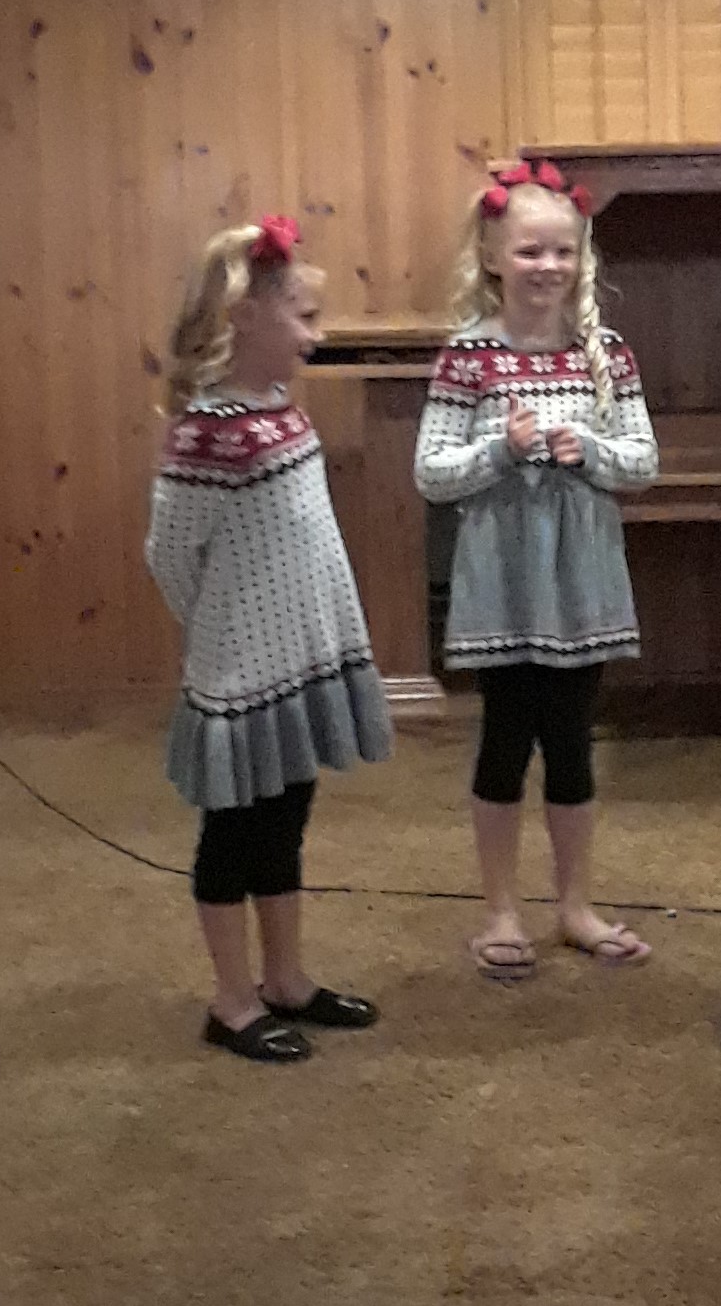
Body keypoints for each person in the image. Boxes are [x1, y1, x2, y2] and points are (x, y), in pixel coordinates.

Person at [147, 215, 392, 1064]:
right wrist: (222, 634)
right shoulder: (207, 432)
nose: (315, 336)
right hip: (242, 672)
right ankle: (232, 1000)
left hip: (301, 658)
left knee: (286, 823)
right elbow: (171, 555)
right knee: (234, 834)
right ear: (244, 317)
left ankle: (285, 978)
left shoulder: (281, 413)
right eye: (304, 317)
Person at [414, 158, 659, 980]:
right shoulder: (467, 357)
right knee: (504, 740)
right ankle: (500, 910)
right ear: (492, 256)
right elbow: (431, 472)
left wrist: (586, 447)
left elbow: (642, 460)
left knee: (572, 742)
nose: (548, 266)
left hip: (582, 580)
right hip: (503, 580)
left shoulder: (606, 352)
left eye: (563, 251)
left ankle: (576, 906)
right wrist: (500, 449)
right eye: (529, 251)